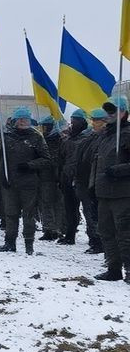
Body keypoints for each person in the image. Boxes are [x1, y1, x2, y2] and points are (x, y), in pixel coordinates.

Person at [0, 106, 49, 254]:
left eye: (25, 119)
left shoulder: (36, 137)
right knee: (10, 214)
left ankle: (29, 244)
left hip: (29, 183)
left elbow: (46, 159)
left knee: (29, 215)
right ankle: (10, 242)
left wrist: (30, 165)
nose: (22, 122)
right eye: (20, 119)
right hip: (9, 182)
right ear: (14, 121)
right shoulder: (6, 137)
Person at [93, 94, 130, 282]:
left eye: (113, 110)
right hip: (104, 192)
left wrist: (119, 170)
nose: (108, 114)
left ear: (123, 112)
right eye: (107, 110)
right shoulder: (106, 135)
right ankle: (113, 269)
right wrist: (93, 185)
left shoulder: (127, 134)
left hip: (123, 193)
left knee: (125, 233)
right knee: (106, 232)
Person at [75, 108, 106, 254]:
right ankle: (94, 240)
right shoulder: (89, 138)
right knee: (90, 214)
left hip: (96, 182)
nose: (93, 123)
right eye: (92, 120)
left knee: (97, 215)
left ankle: (99, 242)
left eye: (96, 120)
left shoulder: (106, 139)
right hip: (84, 181)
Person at [57, 110, 91, 244]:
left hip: (82, 179)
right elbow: (61, 159)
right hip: (67, 178)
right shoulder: (67, 139)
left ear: (82, 122)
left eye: (76, 120)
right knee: (70, 209)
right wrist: (61, 177)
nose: (73, 123)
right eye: (72, 120)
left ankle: (94, 238)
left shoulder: (87, 139)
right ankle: (70, 235)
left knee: (88, 210)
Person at [37, 115, 64, 241]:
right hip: (46, 176)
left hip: (54, 177)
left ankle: (55, 228)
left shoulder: (57, 141)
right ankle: (51, 228)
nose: (42, 129)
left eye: (44, 127)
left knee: (53, 203)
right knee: (48, 203)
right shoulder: (43, 140)